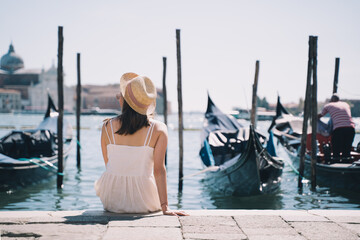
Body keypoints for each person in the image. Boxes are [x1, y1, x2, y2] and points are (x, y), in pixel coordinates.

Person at [95, 72, 188, 216]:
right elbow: (159, 170)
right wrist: (165, 207)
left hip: (112, 200)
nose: (118, 98)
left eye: (120, 95)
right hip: (145, 201)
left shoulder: (106, 126)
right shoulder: (159, 129)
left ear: (124, 101)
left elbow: (108, 164)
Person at [318, 93, 355, 158]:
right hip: (351, 129)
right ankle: (345, 162)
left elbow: (320, 115)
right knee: (346, 149)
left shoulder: (328, 105)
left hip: (339, 129)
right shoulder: (346, 104)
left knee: (336, 149)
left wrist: (313, 117)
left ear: (331, 100)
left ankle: (336, 160)